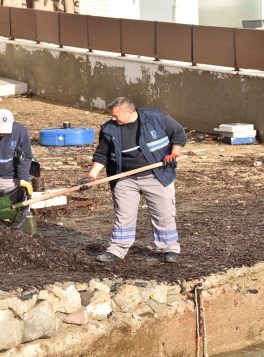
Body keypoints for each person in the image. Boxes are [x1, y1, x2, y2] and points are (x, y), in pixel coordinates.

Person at [76, 97, 186, 263]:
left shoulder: (156, 117)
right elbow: (101, 155)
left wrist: (174, 153)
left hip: (156, 174)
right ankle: (117, 249)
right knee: (123, 214)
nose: (113, 118)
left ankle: (169, 249)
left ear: (129, 112)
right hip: (124, 178)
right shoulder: (109, 129)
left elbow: (178, 133)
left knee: (163, 213)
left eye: (116, 115)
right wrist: (90, 176)